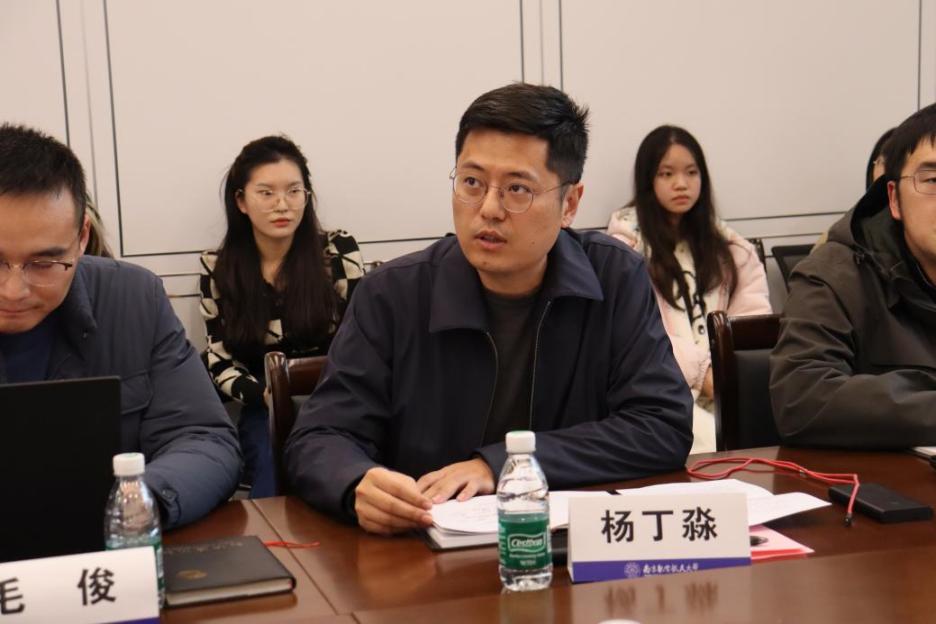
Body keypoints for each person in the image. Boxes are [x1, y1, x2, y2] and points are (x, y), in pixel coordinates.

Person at [285, 83, 693, 535]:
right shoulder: (392, 295)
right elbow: (319, 436)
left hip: (568, 551)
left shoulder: (613, 277)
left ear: (570, 204)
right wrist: (355, 482)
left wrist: (502, 465)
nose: (489, 209)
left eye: (518, 189)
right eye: (472, 183)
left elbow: (661, 425)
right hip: (423, 553)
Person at [0, 123, 240, 528]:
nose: (13, 290)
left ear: (81, 237)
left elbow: (203, 439)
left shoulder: (133, 298)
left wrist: (133, 507)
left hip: (114, 544)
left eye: (43, 263)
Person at [200, 135, 363, 497]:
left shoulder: (338, 251)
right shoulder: (218, 267)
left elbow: (362, 338)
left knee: (338, 478)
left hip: (334, 396)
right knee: (269, 477)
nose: (282, 205)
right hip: (264, 403)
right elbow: (218, 357)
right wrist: (263, 395)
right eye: (266, 193)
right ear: (241, 201)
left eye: (293, 191)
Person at [770, 104, 936, 447]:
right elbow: (802, 399)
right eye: (932, 180)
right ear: (894, 198)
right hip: (885, 478)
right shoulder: (833, 275)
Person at [607, 126, 771, 453]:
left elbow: (752, 329)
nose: (681, 184)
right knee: (706, 441)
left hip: (727, 389)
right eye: (666, 174)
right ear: (647, 180)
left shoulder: (733, 250)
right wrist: (704, 372)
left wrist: (726, 374)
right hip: (659, 393)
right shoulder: (624, 250)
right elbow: (635, 335)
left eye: (691, 172)